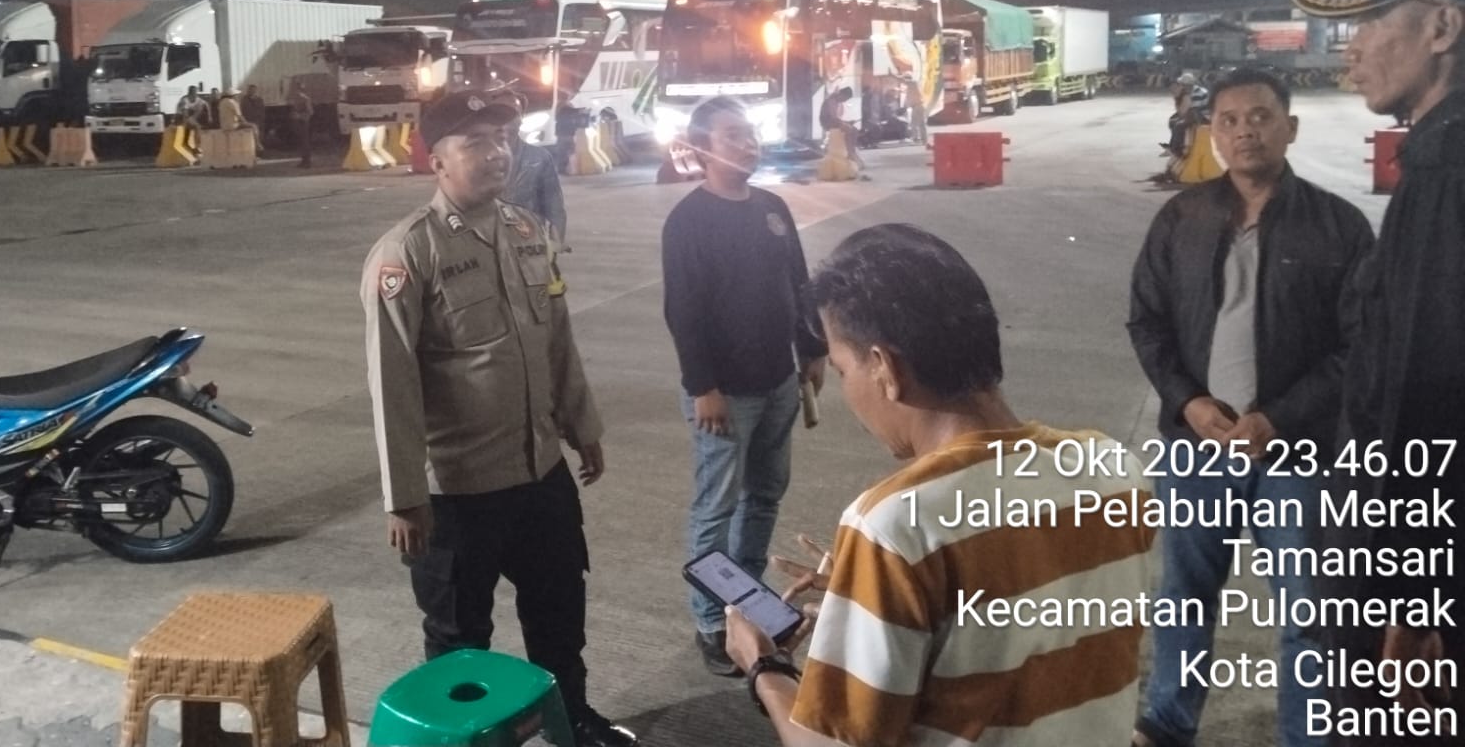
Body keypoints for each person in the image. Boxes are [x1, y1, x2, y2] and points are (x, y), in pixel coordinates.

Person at [724, 224, 1156, 745]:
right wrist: (886, 598)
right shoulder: (1114, 468)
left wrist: (764, 666)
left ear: (883, 367)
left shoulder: (894, 527)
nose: (847, 390)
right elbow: (1035, 608)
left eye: (841, 370)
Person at [360, 92, 633, 747]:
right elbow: (391, 384)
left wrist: (583, 426)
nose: (497, 153)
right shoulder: (407, 254)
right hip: (458, 492)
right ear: (437, 161)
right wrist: (404, 497)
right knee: (459, 640)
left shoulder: (527, 232)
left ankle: (573, 719)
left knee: (559, 614)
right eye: (476, 142)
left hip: (540, 473)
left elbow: (558, 340)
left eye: (502, 138)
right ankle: (465, 738)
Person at [1127, 67, 1373, 747]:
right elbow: (1147, 321)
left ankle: (1307, 734)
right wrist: (1187, 401)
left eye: (1260, 117)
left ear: (1290, 127)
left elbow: (1361, 345)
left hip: (1298, 455)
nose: (1244, 132)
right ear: (1213, 132)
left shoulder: (1339, 226)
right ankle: (1168, 723)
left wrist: (1279, 418)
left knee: (1307, 610)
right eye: (1229, 120)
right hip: (1197, 451)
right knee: (1183, 597)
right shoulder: (1181, 218)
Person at [1292, 0, 1465, 744]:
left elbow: (1423, 394)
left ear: (1443, 28)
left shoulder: (1445, 168)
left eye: (1368, 23)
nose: (1349, 48)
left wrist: (1410, 601)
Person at [662, 96, 827, 676]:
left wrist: (813, 348)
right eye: (732, 134)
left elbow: (799, 283)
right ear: (702, 147)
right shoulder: (688, 220)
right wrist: (702, 385)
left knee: (764, 496)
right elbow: (683, 311)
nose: (748, 142)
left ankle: (748, 602)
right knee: (716, 507)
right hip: (725, 395)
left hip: (778, 381)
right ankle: (711, 620)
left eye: (750, 132)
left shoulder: (772, 207)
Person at [495, 91, 568, 246]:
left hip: (529, 242)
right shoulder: (478, 159)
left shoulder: (539, 158)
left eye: (513, 113)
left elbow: (554, 207)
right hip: (490, 243)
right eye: (500, 113)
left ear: (521, 118)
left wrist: (555, 243)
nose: (507, 120)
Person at [818, 86, 864, 170]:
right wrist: (844, 123)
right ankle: (850, 151)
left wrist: (846, 122)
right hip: (827, 122)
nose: (844, 101)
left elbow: (835, 118)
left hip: (832, 121)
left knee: (854, 130)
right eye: (845, 98)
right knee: (849, 129)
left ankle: (851, 150)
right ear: (841, 94)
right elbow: (832, 117)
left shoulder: (835, 101)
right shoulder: (831, 101)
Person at [289, 80, 314, 168]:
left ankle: (307, 162)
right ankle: (304, 161)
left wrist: (299, 116)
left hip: (303, 122)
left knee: (305, 142)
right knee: (301, 142)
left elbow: (310, 112)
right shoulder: (296, 99)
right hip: (298, 122)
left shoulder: (305, 99)